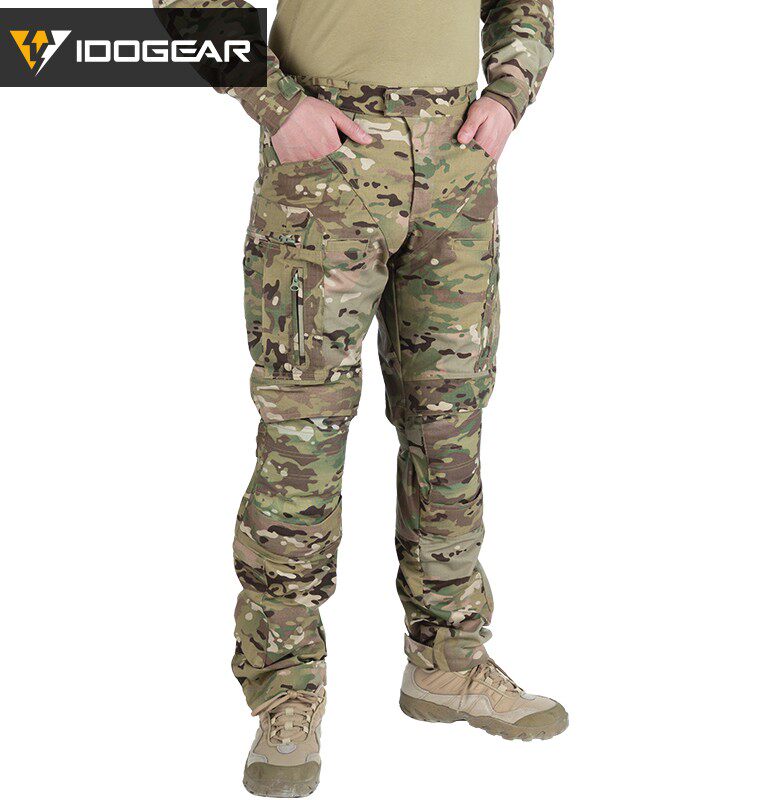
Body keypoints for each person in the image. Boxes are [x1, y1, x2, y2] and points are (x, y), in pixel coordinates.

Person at [155, 1, 565, 796]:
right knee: (302, 432)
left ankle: (448, 661)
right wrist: (276, 104)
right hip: (325, 165)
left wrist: (508, 95)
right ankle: (285, 689)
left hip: (454, 164)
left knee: (449, 425)